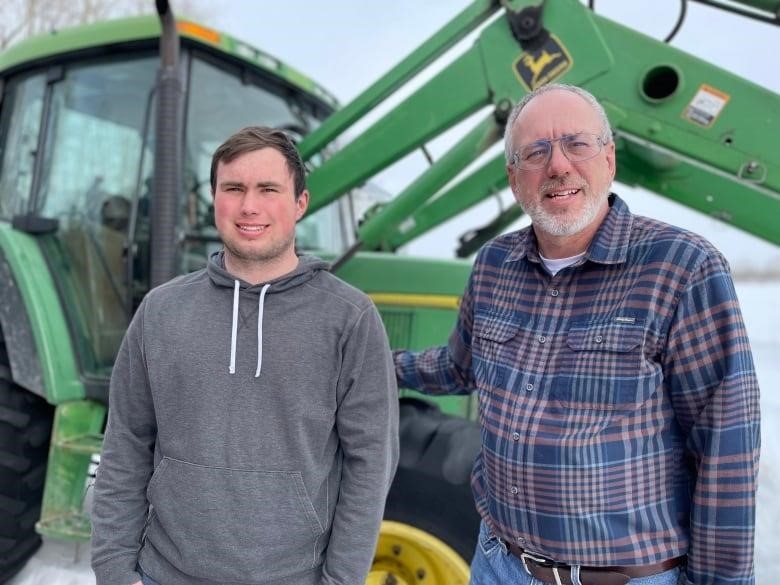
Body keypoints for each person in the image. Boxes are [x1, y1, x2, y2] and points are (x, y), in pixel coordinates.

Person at [394, 84, 760, 585]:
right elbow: (460, 366)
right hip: (497, 563)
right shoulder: (495, 264)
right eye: (535, 152)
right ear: (513, 178)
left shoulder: (682, 267)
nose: (558, 165)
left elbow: (726, 444)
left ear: (609, 159)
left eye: (577, 144)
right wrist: (375, 361)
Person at [91, 126, 399, 585]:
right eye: (233, 189)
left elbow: (370, 464)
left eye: (268, 190)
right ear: (214, 199)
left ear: (300, 203)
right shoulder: (161, 310)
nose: (249, 206)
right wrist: (115, 571)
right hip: (165, 573)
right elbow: (126, 445)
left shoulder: (349, 318)